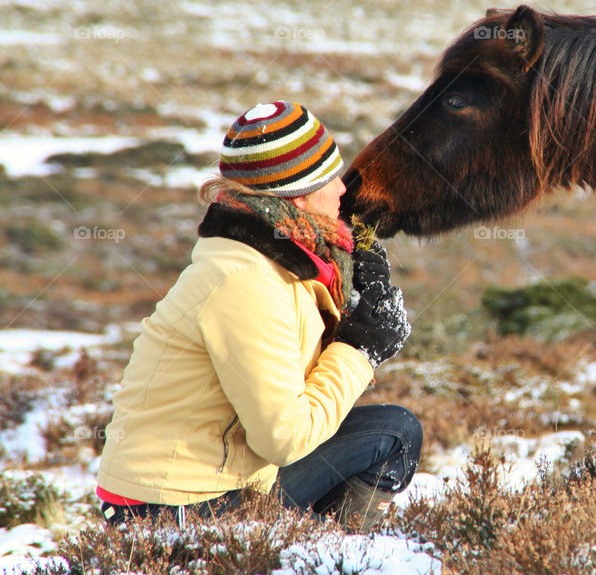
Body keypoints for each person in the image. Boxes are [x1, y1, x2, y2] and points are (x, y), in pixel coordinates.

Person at [96, 101, 419, 531]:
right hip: (172, 508)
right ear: (299, 193)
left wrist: (348, 310)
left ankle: (316, 549)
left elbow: (285, 389)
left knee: (394, 430)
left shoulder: (274, 261)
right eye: (331, 178)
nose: (344, 190)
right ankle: (327, 554)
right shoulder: (247, 281)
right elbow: (284, 438)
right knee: (394, 436)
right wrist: (358, 349)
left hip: (219, 480)